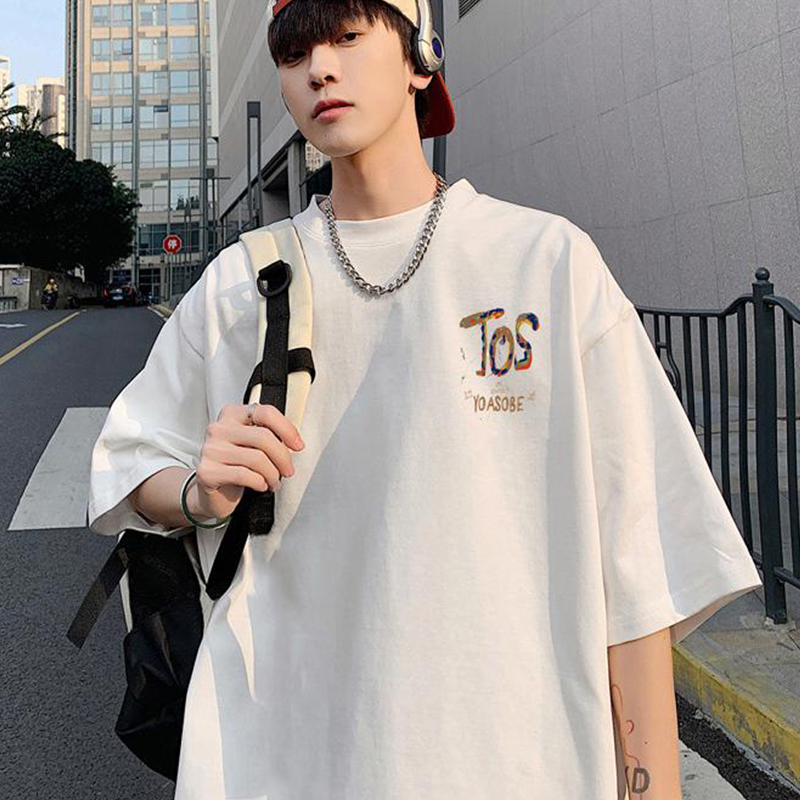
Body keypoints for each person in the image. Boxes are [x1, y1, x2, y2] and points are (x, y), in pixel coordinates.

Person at [86, 1, 763, 798]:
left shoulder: (545, 262)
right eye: (295, 53)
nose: (319, 68)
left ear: (420, 59)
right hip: (282, 758)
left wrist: (653, 788)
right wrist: (199, 494)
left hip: (519, 763)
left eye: (347, 37)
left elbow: (636, 565)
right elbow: (129, 463)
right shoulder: (240, 283)